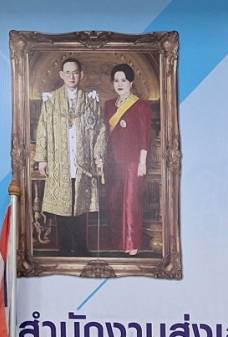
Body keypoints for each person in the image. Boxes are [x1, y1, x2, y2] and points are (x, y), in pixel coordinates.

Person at [32, 57, 106, 256]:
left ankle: (81, 247)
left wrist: (98, 154)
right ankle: (64, 248)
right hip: (59, 160)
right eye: (68, 72)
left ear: (81, 75)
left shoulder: (90, 101)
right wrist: (42, 159)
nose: (71, 76)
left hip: (83, 161)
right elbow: (43, 130)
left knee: (80, 204)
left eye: (75, 72)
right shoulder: (51, 101)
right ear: (61, 75)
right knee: (62, 205)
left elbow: (100, 129)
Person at [102, 63, 152, 256]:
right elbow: (104, 135)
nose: (120, 84)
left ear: (131, 82)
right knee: (114, 202)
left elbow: (144, 136)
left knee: (131, 203)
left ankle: (132, 243)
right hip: (113, 162)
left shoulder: (140, 105)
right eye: (116, 80)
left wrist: (142, 162)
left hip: (133, 162)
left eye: (123, 80)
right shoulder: (108, 105)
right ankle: (118, 241)